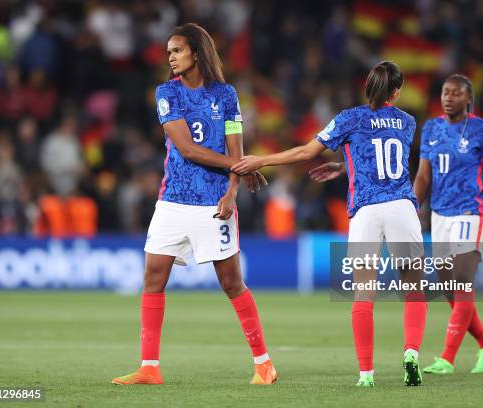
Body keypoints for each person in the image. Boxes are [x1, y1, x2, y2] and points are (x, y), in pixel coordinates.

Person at [232, 61, 427, 387]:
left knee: (364, 294)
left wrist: (262, 159)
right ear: (397, 91)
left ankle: (366, 374)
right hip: (401, 208)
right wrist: (344, 165)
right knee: (414, 290)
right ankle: (411, 353)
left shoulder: (349, 118)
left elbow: (307, 151)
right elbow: (383, 158)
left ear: (367, 86)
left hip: (366, 211)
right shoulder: (408, 122)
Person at [112, 23, 275, 386]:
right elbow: (187, 149)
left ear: (196, 53)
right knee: (153, 277)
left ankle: (264, 364)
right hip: (172, 200)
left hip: (214, 201)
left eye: (177, 50)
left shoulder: (227, 95)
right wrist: (239, 167)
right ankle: (149, 367)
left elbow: (237, 148)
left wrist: (232, 190)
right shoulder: (166, 93)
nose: (170, 57)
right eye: (168, 51)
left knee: (231, 282)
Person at [413, 74, 483, 375]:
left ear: (469, 99)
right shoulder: (432, 128)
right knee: (450, 290)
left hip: (472, 213)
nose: (448, 97)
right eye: (444, 92)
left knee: (462, 281)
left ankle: (447, 358)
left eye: (455, 93)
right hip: (440, 215)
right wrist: (413, 211)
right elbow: (424, 176)